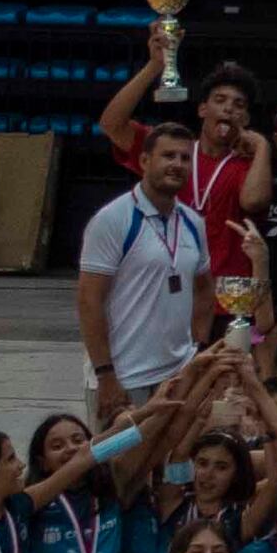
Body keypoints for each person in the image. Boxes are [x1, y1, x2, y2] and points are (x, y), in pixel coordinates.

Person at [77, 123, 209, 418]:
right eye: (168, 156)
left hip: (176, 376)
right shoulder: (112, 219)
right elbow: (89, 301)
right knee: (118, 464)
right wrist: (106, 374)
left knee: (173, 464)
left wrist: (197, 351)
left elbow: (204, 289)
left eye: (185, 158)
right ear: (145, 161)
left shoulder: (193, 222)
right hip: (123, 376)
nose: (177, 164)